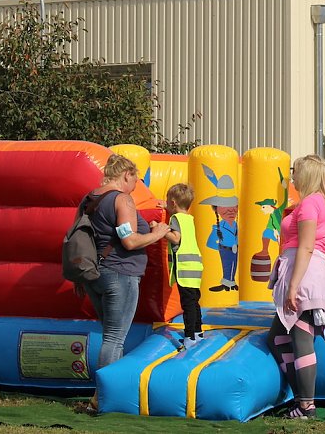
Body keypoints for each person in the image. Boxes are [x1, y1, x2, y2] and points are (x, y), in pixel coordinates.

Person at [79, 154, 170, 414]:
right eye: (136, 179)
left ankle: (109, 395)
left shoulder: (91, 198)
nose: (136, 185)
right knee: (114, 338)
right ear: (126, 175)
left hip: (94, 275)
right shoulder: (122, 199)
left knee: (110, 335)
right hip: (120, 274)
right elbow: (129, 241)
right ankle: (102, 398)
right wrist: (157, 234)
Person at [266, 155, 325, 419]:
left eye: (295, 172)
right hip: (306, 274)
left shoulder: (309, 204)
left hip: (305, 278)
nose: (292, 177)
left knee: (300, 339)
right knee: (278, 338)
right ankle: (302, 400)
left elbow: (306, 246)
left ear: (305, 175)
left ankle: (306, 406)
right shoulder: (319, 202)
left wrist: (293, 286)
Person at [165, 183, 204, 348]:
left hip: (185, 267)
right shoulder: (188, 218)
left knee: (187, 305)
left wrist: (161, 231)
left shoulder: (175, 219)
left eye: (167, 202)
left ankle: (189, 337)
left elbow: (176, 238)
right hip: (195, 267)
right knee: (194, 301)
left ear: (173, 203)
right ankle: (198, 332)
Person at [200, 165, 239, 292]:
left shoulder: (235, 225)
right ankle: (226, 283)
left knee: (233, 265)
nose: (231, 210)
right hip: (225, 248)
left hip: (234, 248)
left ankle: (231, 283)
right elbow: (210, 244)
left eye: (233, 205)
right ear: (216, 209)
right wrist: (219, 246)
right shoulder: (218, 227)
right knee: (227, 265)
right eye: (225, 206)